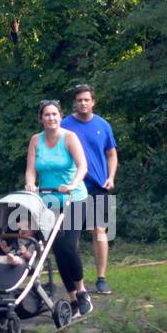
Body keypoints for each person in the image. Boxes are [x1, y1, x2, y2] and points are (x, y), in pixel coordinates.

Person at [26, 99, 93, 316]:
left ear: (60, 116)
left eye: (55, 114)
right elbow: (30, 170)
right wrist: (30, 184)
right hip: (48, 201)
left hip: (74, 198)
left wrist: (73, 183)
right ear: (41, 118)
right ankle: (73, 299)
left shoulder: (69, 138)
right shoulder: (36, 140)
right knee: (57, 250)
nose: (51, 118)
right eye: (47, 115)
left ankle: (82, 292)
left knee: (68, 246)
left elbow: (82, 165)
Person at [61, 83, 119, 294]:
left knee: (99, 230)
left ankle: (101, 278)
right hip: (74, 188)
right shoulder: (65, 125)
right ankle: (77, 281)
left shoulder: (103, 125)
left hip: (97, 186)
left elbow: (111, 154)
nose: (83, 103)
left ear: (93, 102)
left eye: (87, 99)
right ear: (74, 103)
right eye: (79, 100)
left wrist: (111, 177)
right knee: (71, 236)